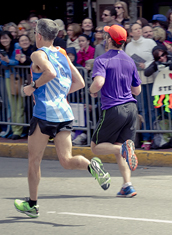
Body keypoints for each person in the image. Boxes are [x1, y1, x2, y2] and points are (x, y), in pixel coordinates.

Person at [13, 19, 110, 218]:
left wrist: (33, 87)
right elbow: (80, 82)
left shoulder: (37, 54)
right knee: (66, 160)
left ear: (39, 35)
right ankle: (92, 166)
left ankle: (32, 205)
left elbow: (50, 72)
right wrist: (58, 95)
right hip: (64, 114)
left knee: (34, 161)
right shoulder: (62, 54)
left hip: (44, 114)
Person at [89, 25, 142, 198]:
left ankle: (123, 152)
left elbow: (98, 83)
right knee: (119, 145)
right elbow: (137, 90)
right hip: (131, 109)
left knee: (96, 148)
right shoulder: (129, 60)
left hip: (113, 108)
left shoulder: (102, 59)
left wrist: (92, 90)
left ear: (110, 40)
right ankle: (127, 185)